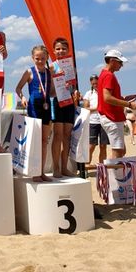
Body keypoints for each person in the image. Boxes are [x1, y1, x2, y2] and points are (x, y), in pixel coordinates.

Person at [16, 45, 54, 181]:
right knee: (35, 141)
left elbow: (52, 92)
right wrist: (22, 97)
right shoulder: (29, 72)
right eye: (37, 58)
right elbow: (18, 88)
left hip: (46, 108)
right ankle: (35, 172)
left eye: (43, 58)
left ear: (47, 58)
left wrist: (63, 88)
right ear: (33, 58)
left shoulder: (49, 73)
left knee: (44, 141)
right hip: (34, 108)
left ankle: (41, 171)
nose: (40, 61)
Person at [97, 49, 136, 159]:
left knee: (121, 150)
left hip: (109, 117)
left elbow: (107, 96)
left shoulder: (104, 74)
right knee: (118, 152)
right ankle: (112, 170)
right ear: (112, 61)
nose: (122, 65)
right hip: (112, 118)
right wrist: (128, 104)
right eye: (120, 62)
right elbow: (107, 97)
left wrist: (123, 98)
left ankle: (110, 168)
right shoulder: (109, 75)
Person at [50, 37, 77, 178]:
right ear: (54, 51)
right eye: (58, 49)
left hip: (69, 102)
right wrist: (57, 81)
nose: (61, 51)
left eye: (63, 49)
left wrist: (74, 90)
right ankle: (56, 168)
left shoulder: (71, 67)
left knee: (67, 136)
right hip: (56, 102)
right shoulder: (51, 67)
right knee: (58, 135)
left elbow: (73, 87)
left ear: (68, 50)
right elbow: (49, 91)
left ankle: (64, 167)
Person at [83, 74, 109, 164]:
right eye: (93, 83)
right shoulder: (88, 93)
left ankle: (102, 167)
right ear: (90, 83)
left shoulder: (105, 92)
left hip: (104, 121)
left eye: (96, 83)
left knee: (103, 146)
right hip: (93, 122)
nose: (95, 85)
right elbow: (86, 108)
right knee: (91, 146)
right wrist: (97, 108)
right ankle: (87, 166)